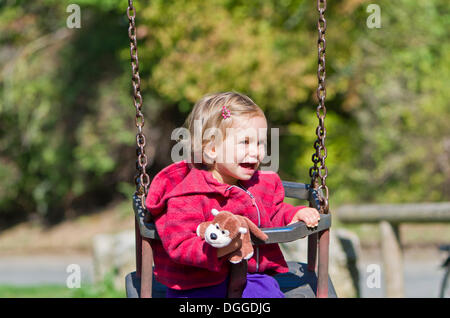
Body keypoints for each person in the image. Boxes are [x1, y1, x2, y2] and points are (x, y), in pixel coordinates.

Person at [145, 91, 321, 298]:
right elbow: (179, 244)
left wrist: (295, 214)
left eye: (260, 143)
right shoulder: (188, 193)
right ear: (211, 148)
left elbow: (272, 213)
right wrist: (221, 249)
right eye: (245, 142)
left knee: (268, 294)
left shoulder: (261, 183)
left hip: (251, 276)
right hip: (197, 282)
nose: (256, 153)